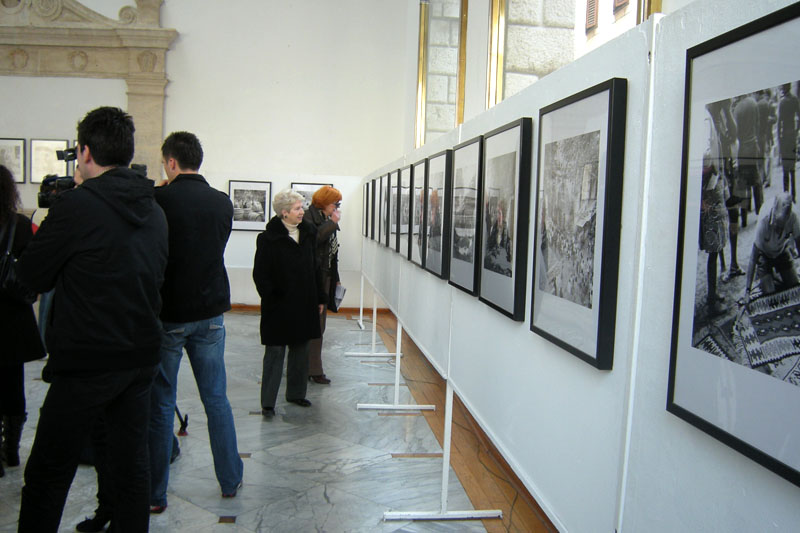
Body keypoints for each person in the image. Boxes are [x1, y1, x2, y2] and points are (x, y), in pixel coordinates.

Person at [17, 106, 168, 533]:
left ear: (84, 151)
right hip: (139, 356)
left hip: (87, 358)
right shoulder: (154, 208)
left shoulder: (78, 207)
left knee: (48, 472)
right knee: (129, 467)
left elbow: (32, 275)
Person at [148, 131, 244, 514]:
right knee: (216, 399)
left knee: (160, 404)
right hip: (209, 314)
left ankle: (156, 495)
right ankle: (230, 479)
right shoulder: (221, 203)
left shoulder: (159, 200)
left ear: (171, 162)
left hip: (169, 313)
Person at [253, 189, 324, 416]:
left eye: (301, 207)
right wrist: (271, 296)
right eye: (297, 208)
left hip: (304, 302)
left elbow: (315, 267)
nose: (302, 212)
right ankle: (268, 402)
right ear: (284, 213)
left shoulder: (308, 233)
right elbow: (260, 274)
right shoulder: (267, 239)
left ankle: (296, 394)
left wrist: (320, 297)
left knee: (300, 350)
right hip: (278, 304)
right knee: (275, 352)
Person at [0, 165, 45, 479]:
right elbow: (34, 271)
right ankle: (12, 449)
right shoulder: (19, 225)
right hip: (13, 316)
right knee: (13, 384)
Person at [303, 186, 342, 385]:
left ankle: (311, 367)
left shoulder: (324, 219)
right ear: (325, 203)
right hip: (314, 278)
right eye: (335, 204)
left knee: (320, 326)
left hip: (325, 277)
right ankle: (312, 369)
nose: (336, 208)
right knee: (315, 326)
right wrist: (333, 224)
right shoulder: (310, 218)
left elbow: (332, 253)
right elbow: (314, 241)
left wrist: (336, 278)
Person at [743, 192, 800, 305]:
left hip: (782, 250)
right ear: (773, 214)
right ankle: (769, 277)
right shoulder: (764, 220)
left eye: (782, 226)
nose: (779, 230)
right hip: (764, 254)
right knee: (770, 296)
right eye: (777, 225)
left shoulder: (794, 216)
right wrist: (747, 291)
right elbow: (753, 258)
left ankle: (776, 277)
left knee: (795, 288)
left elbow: (799, 245)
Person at [778, 83, 800, 202]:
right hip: (792, 135)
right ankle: (794, 195)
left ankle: (786, 195)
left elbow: (779, 123)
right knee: (792, 169)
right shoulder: (795, 100)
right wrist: (796, 131)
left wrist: (779, 138)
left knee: (785, 169)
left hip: (784, 137)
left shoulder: (782, 102)